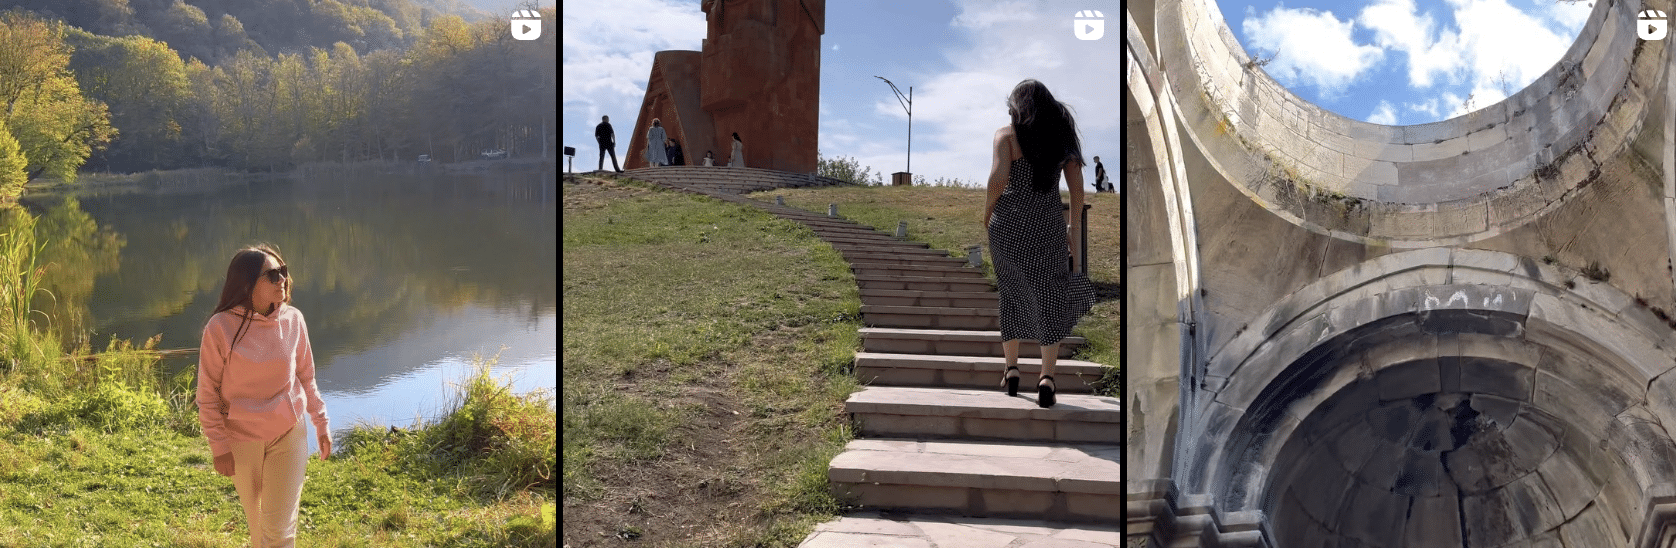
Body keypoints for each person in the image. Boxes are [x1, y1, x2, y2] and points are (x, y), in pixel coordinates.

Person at [197, 245, 331, 548]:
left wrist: (320, 423)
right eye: (272, 275)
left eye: (282, 272)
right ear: (246, 284)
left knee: (279, 532)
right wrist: (219, 446)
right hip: (241, 440)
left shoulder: (293, 320)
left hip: (288, 433)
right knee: (259, 530)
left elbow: (306, 376)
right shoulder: (219, 329)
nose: (282, 279)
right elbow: (207, 395)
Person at [982, 79, 1096, 408]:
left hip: (1006, 227)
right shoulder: (1062, 139)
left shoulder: (1005, 136)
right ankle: (1047, 376)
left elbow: (998, 178)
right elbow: (1077, 192)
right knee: (1050, 296)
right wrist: (1072, 231)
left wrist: (986, 212)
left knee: (1012, 293)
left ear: (1018, 108)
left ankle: (1012, 370)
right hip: (1046, 227)